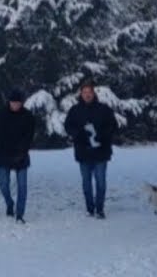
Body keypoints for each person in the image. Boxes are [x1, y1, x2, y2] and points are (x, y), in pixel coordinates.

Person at [63, 79, 117, 218]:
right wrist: (78, 134)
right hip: (83, 152)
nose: (87, 95)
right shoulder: (75, 110)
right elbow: (68, 126)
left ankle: (100, 209)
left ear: (94, 93)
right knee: (86, 183)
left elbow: (113, 126)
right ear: (81, 94)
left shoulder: (103, 109)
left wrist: (102, 136)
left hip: (101, 152)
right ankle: (89, 208)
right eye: (84, 92)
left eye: (89, 92)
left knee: (100, 182)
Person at [0, 88, 36, 224]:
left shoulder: (28, 116)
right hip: (4, 154)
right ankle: (9, 203)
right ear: (9, 102)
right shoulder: (1, 114)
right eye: (13, 102)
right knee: (3, 184)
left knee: (22, 186)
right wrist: (8, 149)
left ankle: (20, 214)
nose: (15, 105)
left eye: (18, 103)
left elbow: (29, 137)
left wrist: (21, 150)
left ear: (22, 103)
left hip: (22, 154)